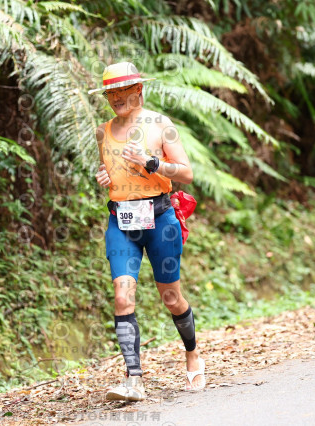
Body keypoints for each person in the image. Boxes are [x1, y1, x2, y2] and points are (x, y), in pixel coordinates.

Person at [88, 61, 205, 401]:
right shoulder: (102, 131)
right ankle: (134, 379)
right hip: (122, 223)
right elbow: (111, 170)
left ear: (138, 90)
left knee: (171, 298)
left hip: (160, 221)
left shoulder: (161, 125)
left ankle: (192, 353)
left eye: (122, 91)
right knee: (122, 296)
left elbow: (186, 173)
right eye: (110, 93)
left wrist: (152, 162)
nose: (116, 98)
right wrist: (104, 177)